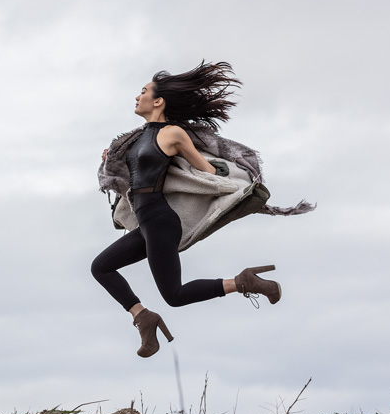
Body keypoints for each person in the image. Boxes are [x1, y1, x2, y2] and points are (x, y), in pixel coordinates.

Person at [91, 60, 283, 358]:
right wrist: (110, 159)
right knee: (100, 267)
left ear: (158, 101)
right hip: (147, 223)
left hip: (161, 221)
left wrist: (230, 179)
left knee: (175, 296)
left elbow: (206, 170)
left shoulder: (173, 134)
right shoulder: (135, 139)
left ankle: (245, 282)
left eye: (142, 91)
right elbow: (130, 175)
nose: (137, 96)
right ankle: (143, 317)